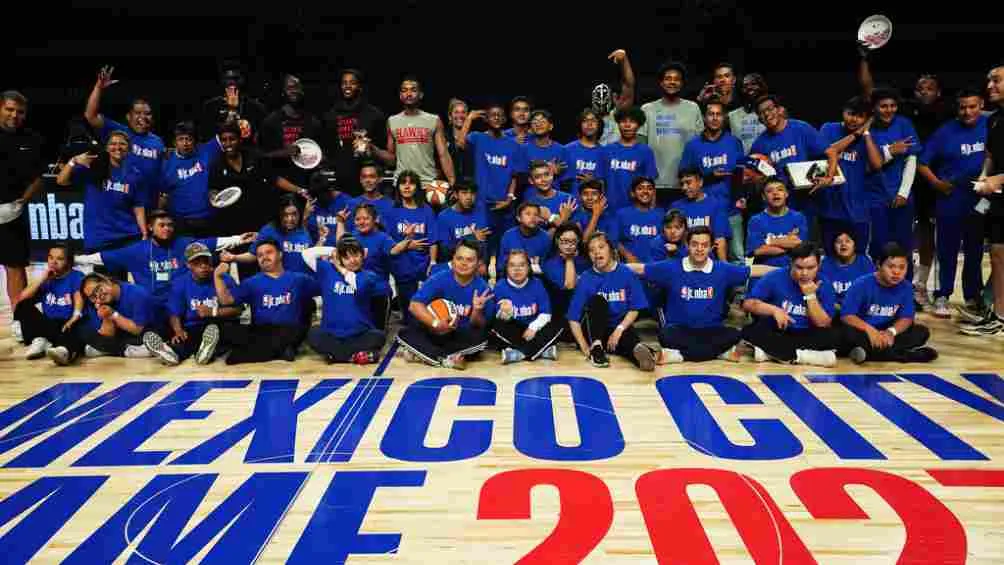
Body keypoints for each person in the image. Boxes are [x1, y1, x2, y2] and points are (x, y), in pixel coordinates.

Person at [628, 227, 775, 363]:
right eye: (695, 244)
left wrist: (786, 270)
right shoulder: (671, 267)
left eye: (704, 245)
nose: (699, 249)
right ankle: (719, 353)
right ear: (687, 245)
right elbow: (640, 269)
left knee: (734, 334)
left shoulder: (722, 269)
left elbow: (753, 270)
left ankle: (678, 355)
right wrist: (611, 267)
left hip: (711, 331)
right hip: (680, 330)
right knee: (665, 335)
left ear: (711, 247)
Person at [73, 209, 253, 316]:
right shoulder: (136, 250)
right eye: (162, 225)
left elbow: (214, 242)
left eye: (170, 225)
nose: (167, 229)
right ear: (151, 227)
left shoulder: (184, 244)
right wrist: (73, 259)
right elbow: (100, 258)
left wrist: (238, 239)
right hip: (154, 306)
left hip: (184, 305)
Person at [917, 88, 988, 318]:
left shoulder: (990, 126)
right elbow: (922, 162)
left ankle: (973, 297)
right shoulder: (945, 132)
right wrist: (936, 183)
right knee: (947, 251)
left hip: (980, 200)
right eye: (963, 107)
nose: (967, 112)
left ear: (981, 105)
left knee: (975, 251)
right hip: (950, 202)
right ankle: (942, 295)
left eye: (972, 106)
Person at [214, 239, 321, 364]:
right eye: (260, 255)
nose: (264, 257)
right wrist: (217, 276)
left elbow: (325, 290)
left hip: (289, 330)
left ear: (280, 254)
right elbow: (227, 300)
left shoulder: (299, 279)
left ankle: (264, 350)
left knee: (235, 357)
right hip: (262, 331)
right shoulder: (251, 282)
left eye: (269, 252)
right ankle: (280, 352)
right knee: (227, 330)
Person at [397, 239, 494, 369]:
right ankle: (448, 358)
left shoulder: (483, 287)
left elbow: (480, 325)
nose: (463, 263)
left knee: (481, 341)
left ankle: (427, 354)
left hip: (460, 336)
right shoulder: (439, 278)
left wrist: (477, 310)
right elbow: (414, 305)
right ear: (452, 259)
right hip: (434, 332)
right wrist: (436, 324)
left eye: (469, 260)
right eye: (459, 258)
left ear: (478, 263)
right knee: (404, 334)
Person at [567, 232, 656, 370]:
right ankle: (597, 349)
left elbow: (635, 308)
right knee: (598, 300)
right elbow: (573, 318)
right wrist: (584, 346)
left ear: (611, 249)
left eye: (601, 247)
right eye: (592, 250)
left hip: (618, 327)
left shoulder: (627, 273)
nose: (596, 252)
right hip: (593, 330)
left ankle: (642, 355)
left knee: (629, 339)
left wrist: (619, 330)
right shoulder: (585, 278)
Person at [741, 243, 840, 367]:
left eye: (810, 268)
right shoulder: (775, 277)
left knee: (833, 336)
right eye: (799, 267)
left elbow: (823, 324)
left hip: (808, 333)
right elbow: (748, 304)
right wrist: (774, 310)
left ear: (819, 266)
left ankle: (773, 354)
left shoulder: (824, 283)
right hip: (780, 331)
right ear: (791, 263)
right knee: (749, 331)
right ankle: (807, 357)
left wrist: (810, 296)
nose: (804, 273)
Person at [839, 242, 937, 363]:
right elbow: (846, 316)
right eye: (891, 267)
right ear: (879, 265)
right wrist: (870, 330)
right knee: (844, 334)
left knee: (921, 332)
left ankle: (868, 353)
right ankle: (906, 355)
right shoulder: (861, 284)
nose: (896, 272)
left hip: (887, 331)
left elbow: (906, 317)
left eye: (902, 267)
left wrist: (891, 332)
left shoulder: (906, 287)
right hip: (863, 331)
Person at [147, 241, 242, 366]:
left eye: (206, 261)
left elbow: (238, 309)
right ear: (188, 265)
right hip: (193, 327)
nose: (203, 265)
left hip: (219, 322)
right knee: (184, 339)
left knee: (224, 332)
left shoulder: (223, 278)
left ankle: (207, 351)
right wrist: (178, 330)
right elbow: (174, 312)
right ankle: (171, 353)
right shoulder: (180, 283)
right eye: (197, 262)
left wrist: (213, 312)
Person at [83, 66, 164, 209]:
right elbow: (91, 115)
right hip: (121, 204)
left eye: (147, 114)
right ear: (128, 116)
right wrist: (98, 88)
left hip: (148, 206)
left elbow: (160, 174)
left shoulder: (158, 142)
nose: (143, 117)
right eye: (138, 113)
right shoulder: (118, 132)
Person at [0, 90, 45, 341]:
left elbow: (39, 176)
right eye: (9, 109)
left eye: (19, 112)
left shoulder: (32, 139)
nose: (14, 115)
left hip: (11, 213)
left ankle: (19, 319)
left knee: (15, 269)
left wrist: (22, 202)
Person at [962, 65, 1004, 335]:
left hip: (1000, 188)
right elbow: (990, 153)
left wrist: (997, 180)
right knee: (999, 255)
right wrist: (983, 177)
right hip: (997, 197)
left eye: (997, 80)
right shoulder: (994, 118)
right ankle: (998, 314)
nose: (990, 86)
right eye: (989, 81)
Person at [56, 130, 147, 253]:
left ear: (129, 148)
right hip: (98, 238)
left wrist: (144, 233)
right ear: (106, 148)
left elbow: (138, 207)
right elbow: (61, 180)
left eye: (122, 144)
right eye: (113, 144)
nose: (117, 147)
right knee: (100, 273)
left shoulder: (136, 174)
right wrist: (74, 160)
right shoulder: (93, 167)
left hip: (127, 236)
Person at [212, 120, 307, 238]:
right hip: (233, 220)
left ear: (240, 139)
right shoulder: (217, 164)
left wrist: (300, 190)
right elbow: (213, 190)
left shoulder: (254, 156)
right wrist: (213, 198)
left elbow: (274, 179)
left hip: (259, 215)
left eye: (232, 139)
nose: (228, 144)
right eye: (224, 140)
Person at [454, 101, 525, 255]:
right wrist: (470, 119)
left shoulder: (513, 145)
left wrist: (509, 198)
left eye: (500, 115)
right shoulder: (477, 138)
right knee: (481, 245)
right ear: (486, 119)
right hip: (481, 202)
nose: (496, 118)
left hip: (504, 203)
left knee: (505, 247)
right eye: (492, 115)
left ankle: (502, 276)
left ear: (505, 119)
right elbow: (460, 144)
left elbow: (515, 175)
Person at [864, 88, 922, 274]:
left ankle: (905, 290)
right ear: (874, 108)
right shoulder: (866, 130)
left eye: (893, 106)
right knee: (878, 245)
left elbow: (911, 158)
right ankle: (878, 291)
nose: (889, 110)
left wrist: (903, 192)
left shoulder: (904, 124)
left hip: (902, 197)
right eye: (883, 106)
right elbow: (867, 166)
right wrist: (890, 152)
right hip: (874, 197)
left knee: (904, 246)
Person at [680, 98, 746, 261]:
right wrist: (709, 176)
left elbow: (741, 173)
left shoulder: (734, 142)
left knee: (737, 254)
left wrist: (741, 196)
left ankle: (738, 288)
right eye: (711, 114)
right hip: (703, 210)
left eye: (719, 114)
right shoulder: (693, 145)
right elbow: (683, 176)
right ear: (704, 118)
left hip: (731, 207)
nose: (715, 118)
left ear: (724, 118)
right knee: (702, 255)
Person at [303, 237, 386, 364]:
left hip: (358, 334)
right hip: (332, 333)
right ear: (340, 258)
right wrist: (334, 250)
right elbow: (307, 254)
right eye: (346, 257)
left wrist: (340, 267)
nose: (352, 261)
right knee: (313, 334)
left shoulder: (368, 276)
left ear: (363, 255)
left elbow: (356, 283)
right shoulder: (327, 270)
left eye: (356, 255)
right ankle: (351, 356)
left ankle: (336, 355)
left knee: (378, 337)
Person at [816, 96, 883, 254]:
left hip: (858, 210)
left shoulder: (869, 137)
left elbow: (877, 164)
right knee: (830, 256)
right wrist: (857, 134)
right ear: (843, 112)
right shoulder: (828, 128)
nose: (854, 119)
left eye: (860, 117)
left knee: (858, 257)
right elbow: (829, 150)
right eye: (850, 113)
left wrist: (866, 134)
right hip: (830, 208)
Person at [750, 95, 831, 219]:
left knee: (808, 237)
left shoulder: (800, 128)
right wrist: (759, 179)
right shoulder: (758, 145)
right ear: (759, 119)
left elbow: (831, 152)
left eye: (770, 109)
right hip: (779, 206)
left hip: (808, 201)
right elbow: (756, 181)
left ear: (780, 109)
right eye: (761, 113)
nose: (766, 114)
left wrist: (829, 177)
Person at [371, 76, 456, 187]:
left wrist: (452, 181)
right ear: (401, 96)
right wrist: (373, 148)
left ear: (421, 95)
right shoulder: (392, 121)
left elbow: (443, 154)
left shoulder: (433, 120)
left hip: (427, 183)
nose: (409, 93)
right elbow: (392, 160)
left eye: (413, 90)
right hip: (402, 184)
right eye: (404, 90)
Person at [329, 202, 396, 330]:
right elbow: (340, 245)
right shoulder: (353, 235)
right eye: (358, 219)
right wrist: (340, 222)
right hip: (357, 292)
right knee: (360, 329)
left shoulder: (383, 238)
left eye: (365, 218)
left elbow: (395, 250)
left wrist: (407, 241)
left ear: (375, 219)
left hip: (378, 293)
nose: (361, 222)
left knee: (377, 332)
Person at [639, 61, 704, 194]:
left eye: (677, 79)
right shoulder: (647, 109)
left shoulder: (693, 108)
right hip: (653, 183)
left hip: (685, 183)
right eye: (668, 79)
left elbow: (700, 145)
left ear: (682, 83)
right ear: (661, 83)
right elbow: (640, 147)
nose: (672, 82)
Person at [13, 244, 85, 363]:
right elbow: (21, 298)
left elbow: (79, 298)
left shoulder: (76, 276)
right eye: (51, 257)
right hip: (50, 323)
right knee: (24, 305)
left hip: (68, 323)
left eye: (59, 259)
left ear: (68, 261)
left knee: (74, 332)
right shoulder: (47, 278)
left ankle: (65, 353)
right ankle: (40, 340)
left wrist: (75, 317)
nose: (53, 262)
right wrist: (42, 279)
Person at [322, 68, 387, 197]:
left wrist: (371, 148)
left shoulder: (374, 114)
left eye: (352, 82)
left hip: (367, 178)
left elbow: (382, 146)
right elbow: (328, 147)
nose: (347, 86)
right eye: (344, 83)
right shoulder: (331, 115)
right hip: (341, 177)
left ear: (360, 87)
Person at [490, 249, 563, 363]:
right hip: (514, 329)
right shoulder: (500, 286)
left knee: (559, 324)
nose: (517, 269)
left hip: (535, 329)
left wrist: (533, 327)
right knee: (496, 327)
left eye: (522, 265)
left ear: (529, 268)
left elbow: (546, 313)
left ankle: (520, 354)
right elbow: (499, 317)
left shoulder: (537, 284)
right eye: (512, 265)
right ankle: (541, 350)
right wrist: (506, 313)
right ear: (506, 268)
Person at [384, 170, 438, 321]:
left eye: (411, 183)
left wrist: (432, 263)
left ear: (417, 187)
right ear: (398, 187)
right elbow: (387, 241)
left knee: (424, 306)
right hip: (401, 265)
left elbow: (433, 240)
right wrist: (407, 243)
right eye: (403, 183)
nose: (407, 187)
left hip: (423, 264)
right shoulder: (392, 211)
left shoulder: (427, 211)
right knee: (408, 314)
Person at [159, 121, 224, 237]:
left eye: (188, 139)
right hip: (181, 222)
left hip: (207, 218)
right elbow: (163, 196)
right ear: (174, 142)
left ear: (194, 141)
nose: (185, 143)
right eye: (181, 139)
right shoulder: (166, 163)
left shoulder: (206, 151)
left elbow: (225, 133)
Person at [259, 74, 324, 188]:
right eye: (290, 88)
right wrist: (284, 152)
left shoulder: (313, 122)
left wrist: (318, 158)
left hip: (307, 182)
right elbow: (261, 155)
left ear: (302, 90)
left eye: (297, 87)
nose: (294, 91)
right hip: (280, 183)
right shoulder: (271, 121)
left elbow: (322, 153)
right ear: (283, 91)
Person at [77, 272, 161, 361]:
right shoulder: (95, 304)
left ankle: (122, 350)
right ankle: (127, 351)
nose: (98, 297)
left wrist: (113, 314)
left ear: (107, 281)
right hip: (119, 338)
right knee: (85, 334)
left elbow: (137, 330)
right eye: (93, 296)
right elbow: (107, 336)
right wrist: (106, 318)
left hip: (142, 333)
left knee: (93, 349)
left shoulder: (137, 293)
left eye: (98, 289)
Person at [224, 194, 314, 275]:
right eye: (285, 215)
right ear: (279, 215)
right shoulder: (269, 230)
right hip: (279, 287)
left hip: (304, 285)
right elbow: (253, 255)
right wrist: (234, 257)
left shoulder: (305, 228)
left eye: (294, 214)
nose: (290, 219)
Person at [746, 177, 809, 269]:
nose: (775, 193)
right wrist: (788, 242)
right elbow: (757, 251)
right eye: (770, 191)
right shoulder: (756, 220)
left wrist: (767, 242)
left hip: (791, 270)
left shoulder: (798, 217)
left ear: (786, 194)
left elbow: (800, 246)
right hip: (764, 272)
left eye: (780, 189)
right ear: (763, 197)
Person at [605, 106, 659, 211]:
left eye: (632, 122)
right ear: (618, 124)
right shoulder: (607, 150)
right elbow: (601, 182)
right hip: (609, 209)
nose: (627, 125)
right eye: (623, 121)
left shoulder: (645, 151)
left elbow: (651, 185)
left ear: (638, 125)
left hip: (636, 209)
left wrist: (651, 210)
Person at [670, 168, 730, 261]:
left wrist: (724, 269)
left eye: (688, 182)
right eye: (682, 184)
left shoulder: (716, 205)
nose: (684, 187)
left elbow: (720, 240)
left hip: (708, 262)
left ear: (700, 182)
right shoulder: (675, 206)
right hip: (681, 262)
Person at [200, 67, 267, 144]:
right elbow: (206, 135)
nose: (231, 82)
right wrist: (232, 109)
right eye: (228, 78)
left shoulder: (256, 107)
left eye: (236, 78)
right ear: (222, 80)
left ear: (243, 80)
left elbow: (262, 136)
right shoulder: (210, 106)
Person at [542, 222, 589, 326]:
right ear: (557, 240)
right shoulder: (550, 264)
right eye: (565, 241)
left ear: (578, 242)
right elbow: (569, 287)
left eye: (573, 241)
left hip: (584, 306)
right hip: (562, 311)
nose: (569, 245)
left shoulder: (584, 261)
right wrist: (569, 259)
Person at [436, 182, 491, 261]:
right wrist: (472, 238)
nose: (469, 197)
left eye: (472, 193)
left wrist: (482, 264)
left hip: (479, 265)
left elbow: (485, 242)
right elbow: (446, 252)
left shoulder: (482, 211)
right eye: (464, 193)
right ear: (455, 194)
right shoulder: (444, 217)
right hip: (458, 265)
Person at [820, 230, 875, 308]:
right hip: (831, 310)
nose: (843, 244)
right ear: (833, 246)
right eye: (839, 242)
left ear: (854, 245)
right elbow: (822, 293)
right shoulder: (825, 263)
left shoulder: (865, 262)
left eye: (848, 241)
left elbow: (872, 290)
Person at [616, 176, 665, 263]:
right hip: (630, 266)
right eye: (640, 188)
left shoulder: (662, 214)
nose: (645, 191)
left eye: (649, 188)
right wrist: (627, 255)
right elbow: (614, 240)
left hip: (655, 266)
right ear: (632, 193)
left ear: (653, 192)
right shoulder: (622, 214)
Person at [595, 49, 636, 146]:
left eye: (605, 95)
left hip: (617, 159)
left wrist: (624, 60)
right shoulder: (587, 121)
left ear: (614, 97)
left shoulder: (617, 116)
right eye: (598, 95)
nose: (602, 98)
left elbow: (629, 85)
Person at [522, 159, 576, 232]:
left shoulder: (568, 199)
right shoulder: (529, 204)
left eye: (547, 174)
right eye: (538, 177)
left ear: (552, 175)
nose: (543, 179)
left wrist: (556, 222)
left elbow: (575, 234)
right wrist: (557, 219)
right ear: (531, 181)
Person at [566, 108, 610, 194]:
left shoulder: (606, 153)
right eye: (585, 121)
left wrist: (594, 182)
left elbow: (608, 185)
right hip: (570, 204)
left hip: (596, 205)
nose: (589, 124)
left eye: (593, 121)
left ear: (599, 125)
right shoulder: (567, 150)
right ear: (580, 125)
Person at [498, 201, 552, 271]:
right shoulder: (508, 236)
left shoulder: (545, 238)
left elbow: (547, 265)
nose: (532, 217)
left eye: (536, 215)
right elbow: (501, 265)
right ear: (519, 218)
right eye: (528, 214)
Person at [524, 110, 571, 188]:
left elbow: (567, 181)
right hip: (530, 198)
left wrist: (557, 172)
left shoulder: (562, 150)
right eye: (535, 122)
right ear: (531, 128)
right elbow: (519, 178)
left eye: (542, 121)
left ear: (550, 126)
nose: (538, 124)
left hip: (554, 197)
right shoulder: (523, 149)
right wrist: (549, 171)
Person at [729, 73, 769, 154]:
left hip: (769, 161)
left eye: (754, 84)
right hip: (743, 163)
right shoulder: (732, 116)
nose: (749, 87)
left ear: (762, 87)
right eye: (745, 86)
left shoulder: (772, 112)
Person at [444, 98, 473, 184]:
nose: (460, 115)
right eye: (456, 112)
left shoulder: (474, 137)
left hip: (469, 186)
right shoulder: (443, 137)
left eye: (463, 112)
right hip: (448, 184)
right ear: (450, 116)